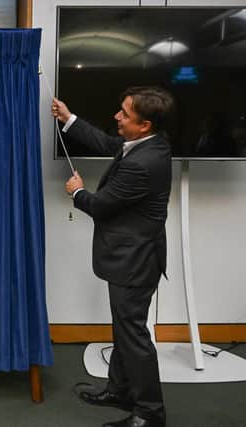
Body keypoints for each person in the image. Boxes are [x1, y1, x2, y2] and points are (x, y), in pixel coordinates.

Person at [52, 86, 175, 427]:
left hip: (133, 263)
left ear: (145, 125)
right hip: (134, 258)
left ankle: (150, 414)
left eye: (124, 113)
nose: (116, 117)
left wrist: (76, 191)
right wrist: (69, 118)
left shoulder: (143, 164)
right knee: (125, 331)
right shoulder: (149, 144)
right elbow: (109, 143)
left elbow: (100, 206)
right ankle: (120, 391)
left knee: (133, 338)